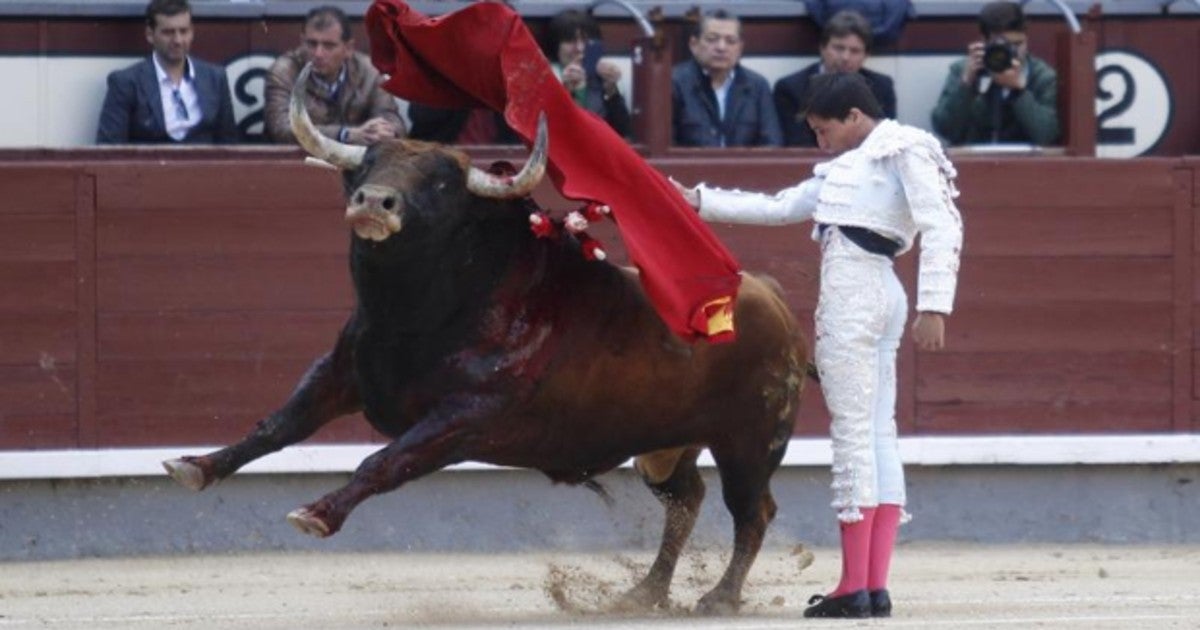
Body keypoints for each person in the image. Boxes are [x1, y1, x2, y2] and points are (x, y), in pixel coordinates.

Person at [672, 72, 963, 618]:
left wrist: (936, 305)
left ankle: (855, 586)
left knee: (858, 432)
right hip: (875, 289)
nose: (819, 141)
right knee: (877, 432)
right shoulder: (848, 166)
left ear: (855, 116)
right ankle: (871, 586)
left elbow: (943, 224)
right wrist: (698, 200)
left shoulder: (903, 147)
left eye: (823, 129)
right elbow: (780, 206)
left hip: (862, 295)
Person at [96, 0, 237, 144]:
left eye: (183, 31)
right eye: (168, 32)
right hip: (149, 165)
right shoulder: (126, 83)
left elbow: (229, 144)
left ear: (192, 32)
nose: (177, 40)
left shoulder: (215, 78)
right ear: (150, 34)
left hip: (204, 165)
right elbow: (109, 149)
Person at [263, 5, 404, 146]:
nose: (318, 54)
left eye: (328, 46)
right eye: (312, 44)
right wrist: (344, 135)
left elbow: (392, 119)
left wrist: (386, 131)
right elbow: (281, 129)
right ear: (302, 41)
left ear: (348, 48)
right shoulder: (284, 72)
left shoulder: (369, 73)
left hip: (358, 162)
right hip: (300, 162)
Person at [930, 0, 1059, 146]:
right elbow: (945, 129)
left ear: (1026, 39)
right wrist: (966, 85)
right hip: (973, 162)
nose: (1013, 52)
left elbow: (1048, 135)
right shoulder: (963, 70)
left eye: (1018, 44)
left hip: (1027, 164)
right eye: (1004, 44)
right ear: (985, 41)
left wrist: (1019, 93)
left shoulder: (1043, 77)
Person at [774, 9, 896, 147]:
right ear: (823, 47)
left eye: (855, 51)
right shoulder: (791, 88)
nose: (845, 57)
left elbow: (885, 139)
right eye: (839, 48)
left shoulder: (881, 86)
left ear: (866, 55)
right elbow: (798, 147)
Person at [671, 9, 782, 147]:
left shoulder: (757, 85)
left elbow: (771, 143)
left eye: (731, 41)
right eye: (712, 39)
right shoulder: (674, 83)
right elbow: (668, 145)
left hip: (745, 168)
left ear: (740, 48)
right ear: (694, 44)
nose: (721, 47)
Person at [540, 9, 631, 137]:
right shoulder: (544, 78)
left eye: (586, 42)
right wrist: (566, 92)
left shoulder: (602, 77)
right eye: (571, 41)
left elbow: (622, 132)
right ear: (556, 46)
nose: (580, 48)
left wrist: (611, 90)